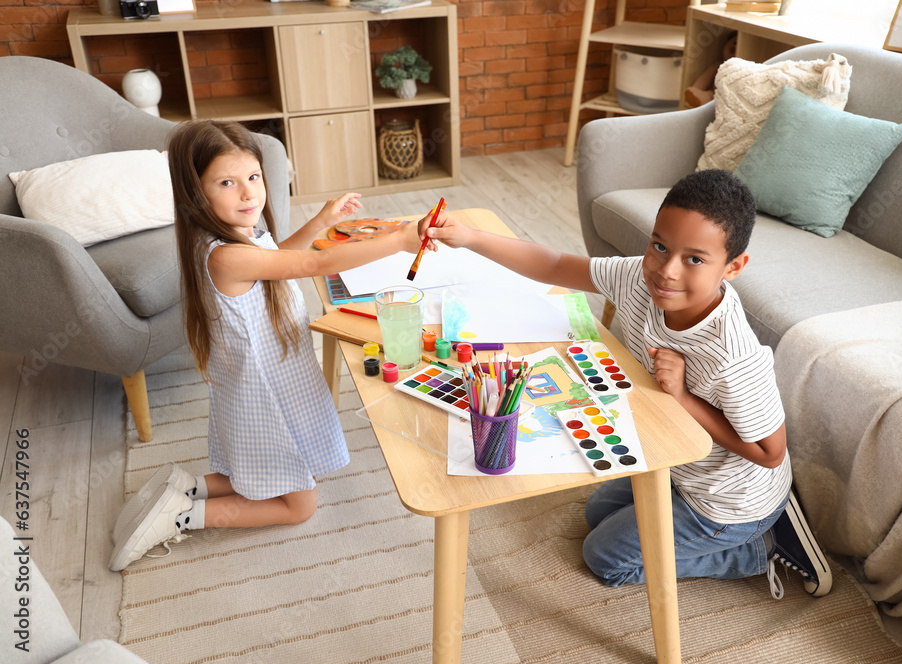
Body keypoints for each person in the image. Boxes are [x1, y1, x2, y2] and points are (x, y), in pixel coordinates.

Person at [422, 169, 832, 598]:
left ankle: (760, 546)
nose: (666, 271)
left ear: (733, 267)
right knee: (596, 510)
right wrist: (471, 238)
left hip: (729, 502)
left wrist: (684, 398)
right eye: (659, 246)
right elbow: (556, 265)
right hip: (681, 468)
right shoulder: (639, 276)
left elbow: (771, 452)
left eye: (694, 259)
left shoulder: (734, 358)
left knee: (604, 557)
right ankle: (747, 526)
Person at [109, 120, 427, 572]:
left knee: (267, 470)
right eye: (227, 182)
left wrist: (322, 219)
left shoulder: (231, 240)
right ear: (196, 193)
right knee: (300, 506)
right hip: (268, 395)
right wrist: (398, 239)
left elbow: (277, 260)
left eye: (253, 178)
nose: (248, 193)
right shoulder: (226, 253)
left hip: (268, 381)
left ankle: (190, 485)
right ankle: (182, 516)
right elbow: (315, 262)